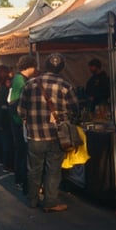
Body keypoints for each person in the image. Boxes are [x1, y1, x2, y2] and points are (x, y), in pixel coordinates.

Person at [21, 52, 79, 213]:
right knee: (53, 170)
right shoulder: (66, 85)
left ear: (45, 66)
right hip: (56, 135)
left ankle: (32, 200)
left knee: (34, 169)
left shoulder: (30, 84)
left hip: (35, 135)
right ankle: (50, 202)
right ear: (61, 68)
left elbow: (21, 111)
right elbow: (75, 110)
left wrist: (30, 120)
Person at [8, 53, 37, 188]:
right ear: (29, 67)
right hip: (19, 122)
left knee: (20, 151)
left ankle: (19, 179)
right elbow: (14, 102)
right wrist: (21, 121)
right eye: (34, 68)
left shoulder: (18, 79)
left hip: (17, 121)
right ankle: (20, 180)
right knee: (22, 152)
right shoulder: (20, 80)